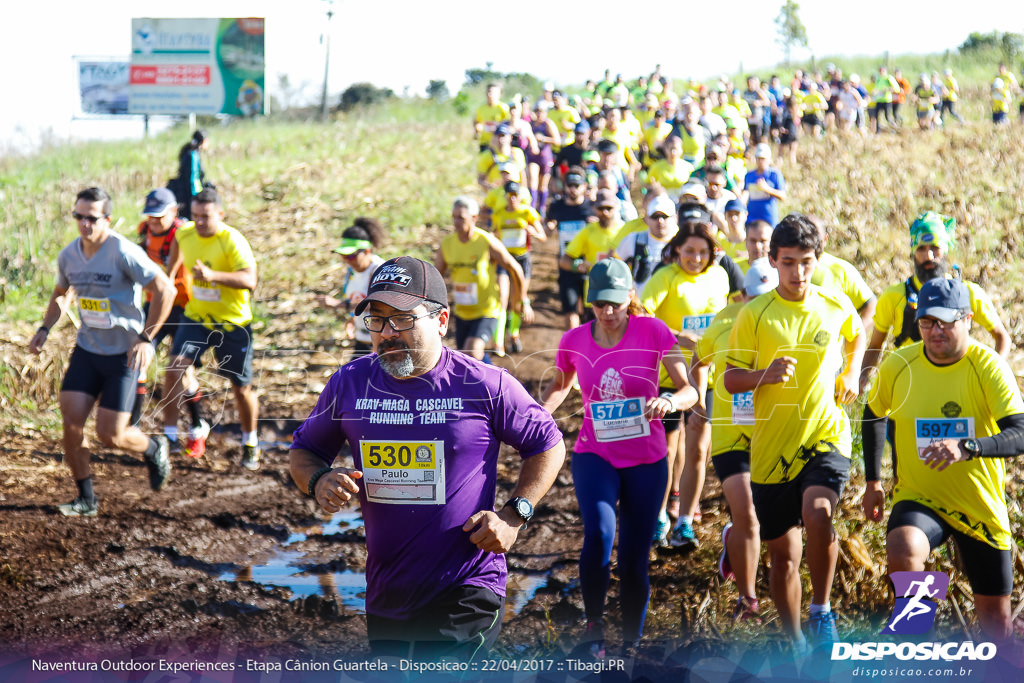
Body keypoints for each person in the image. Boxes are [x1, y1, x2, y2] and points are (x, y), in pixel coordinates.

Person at [289, 256, 565, 660]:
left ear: (441, 320)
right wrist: (319, 480)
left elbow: (548, 444)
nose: (387, 333)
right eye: (377, 320)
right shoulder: (349, 383)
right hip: (388, 591)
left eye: (402, 319)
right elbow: (305, 453)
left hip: (467, 585)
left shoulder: (485, 384)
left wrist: (514, 514)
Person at [540, 258, 698, 657]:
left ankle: (630, 641)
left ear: (631, 297)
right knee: (599, 534)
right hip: (596, 455)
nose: (607, 313)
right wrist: (538, 411)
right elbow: (561, 385)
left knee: (632, 559)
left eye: (615, 303)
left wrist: (668, 399)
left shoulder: (654, 330)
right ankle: (594, 626)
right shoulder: (574, 340)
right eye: (599, 305)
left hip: (647, 460)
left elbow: (690, 390)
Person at [723, 213, 865, 651]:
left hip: (825, 435)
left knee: (818, 512)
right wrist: (763, 375)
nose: (798, 273)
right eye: (788, 263)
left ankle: (822, 611)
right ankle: (795, 642)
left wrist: (854, 373)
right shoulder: (755, 314)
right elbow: (731, 379)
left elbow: (857, 337)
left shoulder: (834, 303)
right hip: (770, 448)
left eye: (806, 262)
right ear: (772, 260)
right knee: (783, 557)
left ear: (816, 260)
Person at [861, 278, 1024, 641]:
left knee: (996, 627)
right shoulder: (900, 365)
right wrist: (873, 481)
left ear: (967, 319)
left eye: (945, 322)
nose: (935, 331)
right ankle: (917, 642)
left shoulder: (988, 366)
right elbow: (872, 414)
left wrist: (968, 447)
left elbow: (1020, 432)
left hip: (979, 504)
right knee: (903, 547)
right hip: (920, 497)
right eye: (926, 322)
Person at [28, 187, 176, 516]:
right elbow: (61, 292)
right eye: (78, 217)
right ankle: (86, 499)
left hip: (124, 355)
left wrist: (146, 338)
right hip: (88, 349)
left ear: (107, 220)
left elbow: (165, 288)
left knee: (112, 435)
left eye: (92, 218)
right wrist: (44, 329)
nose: (84, 224)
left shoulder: (123, 251)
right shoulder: (68, 255)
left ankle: (153, 447)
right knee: (71, 421)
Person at [691, 258, 779, 621]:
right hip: (730, 434)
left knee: (772, 518)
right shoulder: (724, 321)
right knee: (749, 515)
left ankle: (733, 541)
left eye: (766, 295)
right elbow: (698, 359)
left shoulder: (786, 323)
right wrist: (698, 398)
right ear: (741, 294)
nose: (756, 303)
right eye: (751, 296)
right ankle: (749, 599)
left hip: (774, 433)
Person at [640, 221, 730, 548]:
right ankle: (660, 515)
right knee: (666, 450)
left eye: (703, 252)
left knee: (697, 451)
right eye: (689, 251)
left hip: (708, 376)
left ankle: (685, 522)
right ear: (677, 249)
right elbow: (642, 313)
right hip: (670, 381)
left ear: (712, 253)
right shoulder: (665, 278)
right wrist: (676, 336)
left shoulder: (719, 277)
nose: (695, 258)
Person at [161, 188, 262, 470]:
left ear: (220, 214)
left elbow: (250, 280)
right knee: (174, 367)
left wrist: (213, 276)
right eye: (195, 216)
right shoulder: (184, 234)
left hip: (233, 322)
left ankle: (250, 442)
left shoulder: (232, 240)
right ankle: (169, 437)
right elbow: (171, 271)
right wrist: (165, 286)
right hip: (197, 318)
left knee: (241, 388)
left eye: (205, 217)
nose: (199, 223)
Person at [861, 212, 1011, 392]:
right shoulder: (893, 297)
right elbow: (875, 345)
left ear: (946, 249)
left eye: (935, 248)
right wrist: (862, 376)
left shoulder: (968, 293)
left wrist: (993, 376)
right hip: (910, 389)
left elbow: (1002, 337)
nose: (929, 256)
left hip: (958, 387)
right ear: (913, 252)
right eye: (921, 248)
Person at [131, 188, 208, 456]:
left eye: (159, 216)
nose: (154, 221)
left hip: (185, 309)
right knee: (138, 360)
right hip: (156, 305)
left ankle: (197, 427)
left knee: (182, 372)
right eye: (150, 216)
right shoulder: (145, 233)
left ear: (173, 212)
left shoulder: (187, 234)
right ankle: (134, 428)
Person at [435, 197, 529, 360]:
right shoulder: (447, 245)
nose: (456, 222)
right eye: (454, 217)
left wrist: (520, 301)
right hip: (462, 313)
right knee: (468, 359)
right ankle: (491, 379)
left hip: (487, 311)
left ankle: (500, 383)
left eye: (461, 218)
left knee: (472, 352)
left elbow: (515, 268)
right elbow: (435, 279)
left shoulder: (486, 241)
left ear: (474, 218)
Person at [317, 218, 388, 360]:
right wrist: (351, 319)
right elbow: (355, 298)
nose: (347, 260)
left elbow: (377, 304)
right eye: (343, 255)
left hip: (382, 341)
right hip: (362, 339)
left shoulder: (380, 270)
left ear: (367, 251)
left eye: (351, 255)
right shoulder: (351, 271)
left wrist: (338, 305)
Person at [488, 182, 544, 353]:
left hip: (522, 259)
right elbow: (494, 234)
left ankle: (514, 334)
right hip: (505, 259)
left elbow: (542, 236)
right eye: (509, 195)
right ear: (505, 196)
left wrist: (530, 230)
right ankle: (498, 342)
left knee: (517, 301)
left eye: (515, 195)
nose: (512, 198)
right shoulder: (499, 214)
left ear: (520, 197)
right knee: (502, 299)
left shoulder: (527, 212)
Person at [546, 168, 596, 330]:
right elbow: (547, 230)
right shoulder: (556, 207)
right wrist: (549, 226)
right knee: (570, 311)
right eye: (569, 185)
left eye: (576, 185)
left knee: (590, 312)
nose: (572, 189)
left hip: (589, 265)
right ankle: (576, 350)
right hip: (566, 264)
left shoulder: (592, 208)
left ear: (584, 186)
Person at [616, 194, 677, 297]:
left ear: (675, 217)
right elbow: (616, 266)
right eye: (655, 216)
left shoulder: (683, 242)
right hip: (641, 306)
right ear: (647, 219)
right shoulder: (634, 239)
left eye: (664, 216)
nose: (660, 221)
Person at [742, 143, 786, 229]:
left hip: (769, 218)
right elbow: (745, 193)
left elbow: (783, 196)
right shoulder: (749, 175)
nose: (761, 161)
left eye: (763, 159)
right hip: (751, 218)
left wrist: (767, 189)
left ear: (769, 159)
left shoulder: (775, 174)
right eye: (758, 158)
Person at [170, 130, 207, 220]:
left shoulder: (188, 152)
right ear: (204, 141)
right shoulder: (193, 155)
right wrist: (197, 198)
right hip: (190, 196)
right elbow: (193, 178)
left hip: (185, 194)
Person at [473, 83, 510, 152]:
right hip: (484, 143)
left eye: (493, 93)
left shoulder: (504, 108)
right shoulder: (481, 109)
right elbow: (476, 121)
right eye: (488, 92)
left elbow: (508, 123)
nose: (490, 95)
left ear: (499, 95)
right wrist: (476, 129)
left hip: (499, 144)